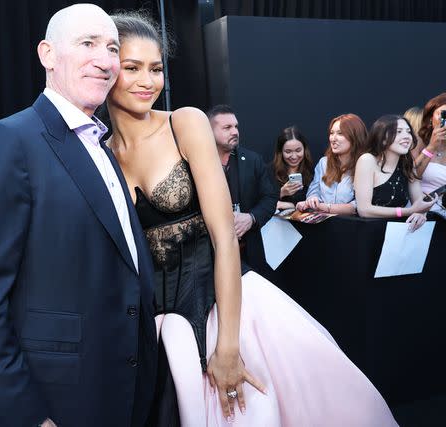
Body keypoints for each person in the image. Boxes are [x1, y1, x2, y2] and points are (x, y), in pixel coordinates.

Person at [106, 11, 398, 426]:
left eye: (155, 68)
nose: (146, 80)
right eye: (132, 68)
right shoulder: (97, 149)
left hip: (225, 308)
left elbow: (225, 238)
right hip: (154, 327)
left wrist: (227, 346)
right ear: (108, 68)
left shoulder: (183, 123)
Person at [0, 4, 157, 427]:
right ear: (47, 54)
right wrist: (25, 415)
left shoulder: (102, 145)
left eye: (113, 48)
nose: (105, 60)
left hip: (122, 388)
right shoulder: (9, 142)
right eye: (88, 44)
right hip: (56, 401)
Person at [206, 104, 277, 270]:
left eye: (236, 126)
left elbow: (270, 197)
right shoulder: (197, 164)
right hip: (209, 256)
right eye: (227, 127)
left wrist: (251, 218)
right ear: (208, 131)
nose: (235, 132)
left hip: (248, 252)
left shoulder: (253, 160)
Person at [354, 115, 435, 230]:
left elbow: (418, 202)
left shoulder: (408, 163)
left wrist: (421, 214)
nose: (406, 136)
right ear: (382, 138)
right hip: (369, 233)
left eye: (408, 132)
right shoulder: (367, 160)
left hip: (397, 234)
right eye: (399, 132)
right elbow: (364, 210)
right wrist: (408, 211)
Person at [296, 113, 368, 214]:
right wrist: (312, 199)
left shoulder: (365, 165)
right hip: (322, 224)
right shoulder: (323, 162)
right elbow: (314, 189)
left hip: (351, 225)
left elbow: (358, 206)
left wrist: (325, 207)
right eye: (331, 133)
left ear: (355, 136)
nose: (333, 139)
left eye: (340, 133)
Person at [412, 93, 446, 219]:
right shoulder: (418, 141)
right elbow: (411, 175)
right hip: (421, 214)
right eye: (443, 114)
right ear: (431, 118)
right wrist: (431, 147)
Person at [270, 126, 314, 211]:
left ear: (304, 149)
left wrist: (291, 205)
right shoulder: (270, 171)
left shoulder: (311, 171)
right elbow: (259, 201)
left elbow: (314, 202)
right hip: (276, 222)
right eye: (288, 152)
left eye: (298, 150)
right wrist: (281, 192)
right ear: (281, 152)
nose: (294, 156)